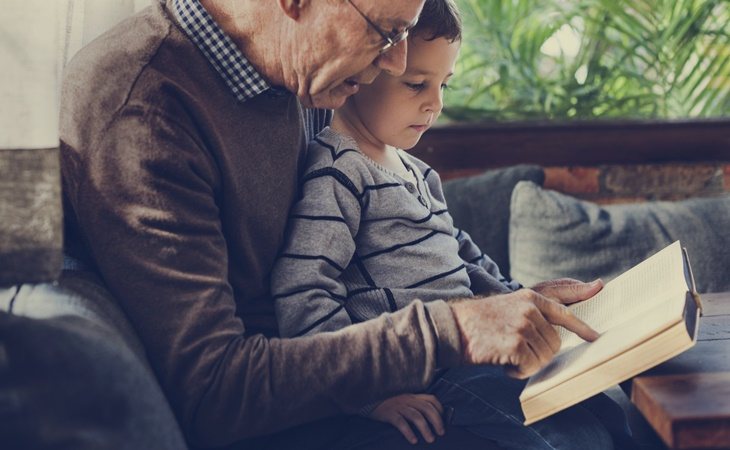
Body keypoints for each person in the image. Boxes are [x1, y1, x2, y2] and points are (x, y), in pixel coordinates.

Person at [60, 0, 607, 448]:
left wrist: (516, 302)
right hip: (283, 414)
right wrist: (453, 329)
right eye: (387, 31)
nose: (394, 65)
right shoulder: (144, 105)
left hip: (355, 374)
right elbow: (213, 392)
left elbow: (392, 238)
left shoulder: (301, 73)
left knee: (596, 406)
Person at [271, 2, 635, 449]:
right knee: (573, 439)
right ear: (365, 70)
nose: (435, 103)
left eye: (444, 84)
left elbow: (464, 255)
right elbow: (302, 293)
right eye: (417, 84)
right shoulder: (338, 172)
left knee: (606, 409)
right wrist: (370, 398)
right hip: (431, 370)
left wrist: (524, 298)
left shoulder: (418, 173)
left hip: (476, 350)